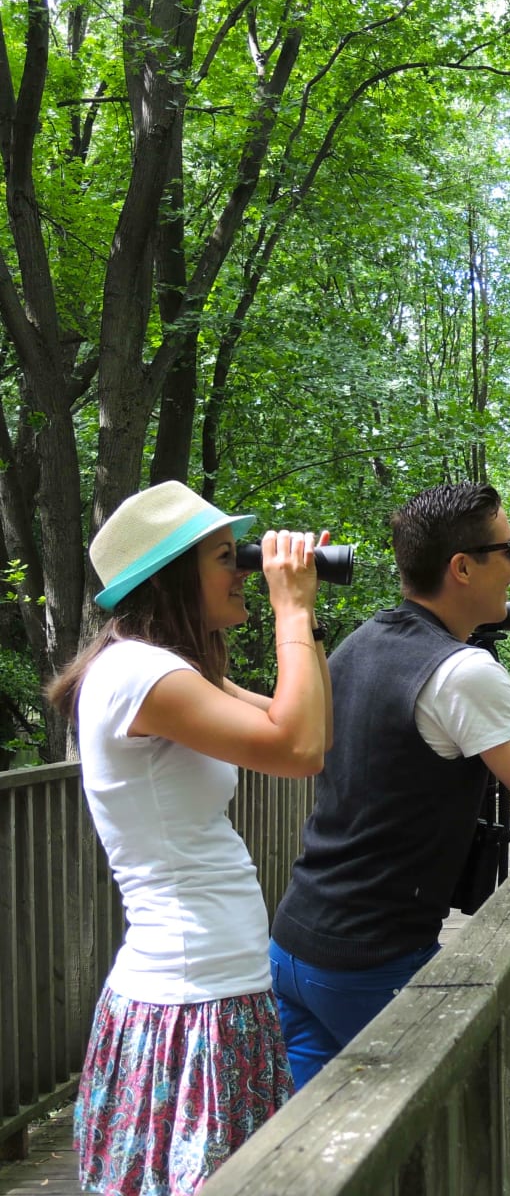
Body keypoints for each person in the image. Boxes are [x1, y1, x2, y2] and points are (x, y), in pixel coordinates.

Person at [269, 481, 510, 1089]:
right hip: (373, 956)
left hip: (295, 944)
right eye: (509, 549)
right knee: (464, 1114)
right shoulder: (462, 672)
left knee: (306, 1149)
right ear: (462, 568)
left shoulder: (359, 644)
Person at [46, 480, 333, 1196]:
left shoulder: (161, 670)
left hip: (213, 989)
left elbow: (309, 734)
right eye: (224, 557)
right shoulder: (141, 676)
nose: (243, 569)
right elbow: (295, 748)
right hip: (191, 1001)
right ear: (171, 575)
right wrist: (288, 608)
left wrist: (310, 620)